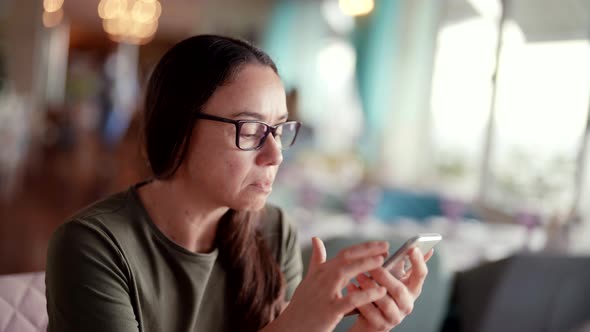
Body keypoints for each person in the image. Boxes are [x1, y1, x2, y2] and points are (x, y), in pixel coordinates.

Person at [45, 34, 432, 332]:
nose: (275, 154)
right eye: (251, 129)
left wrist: (367, 327)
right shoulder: (92, 246)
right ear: (179, 127)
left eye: (279, 130)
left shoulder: (273, 231)